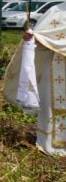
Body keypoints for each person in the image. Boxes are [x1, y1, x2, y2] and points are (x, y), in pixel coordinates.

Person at [4, 8, 66, 156]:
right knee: (51, 103)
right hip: (55, 68)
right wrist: (31, 38)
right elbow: (41, 41)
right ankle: (53, 144)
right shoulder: (55, 12)